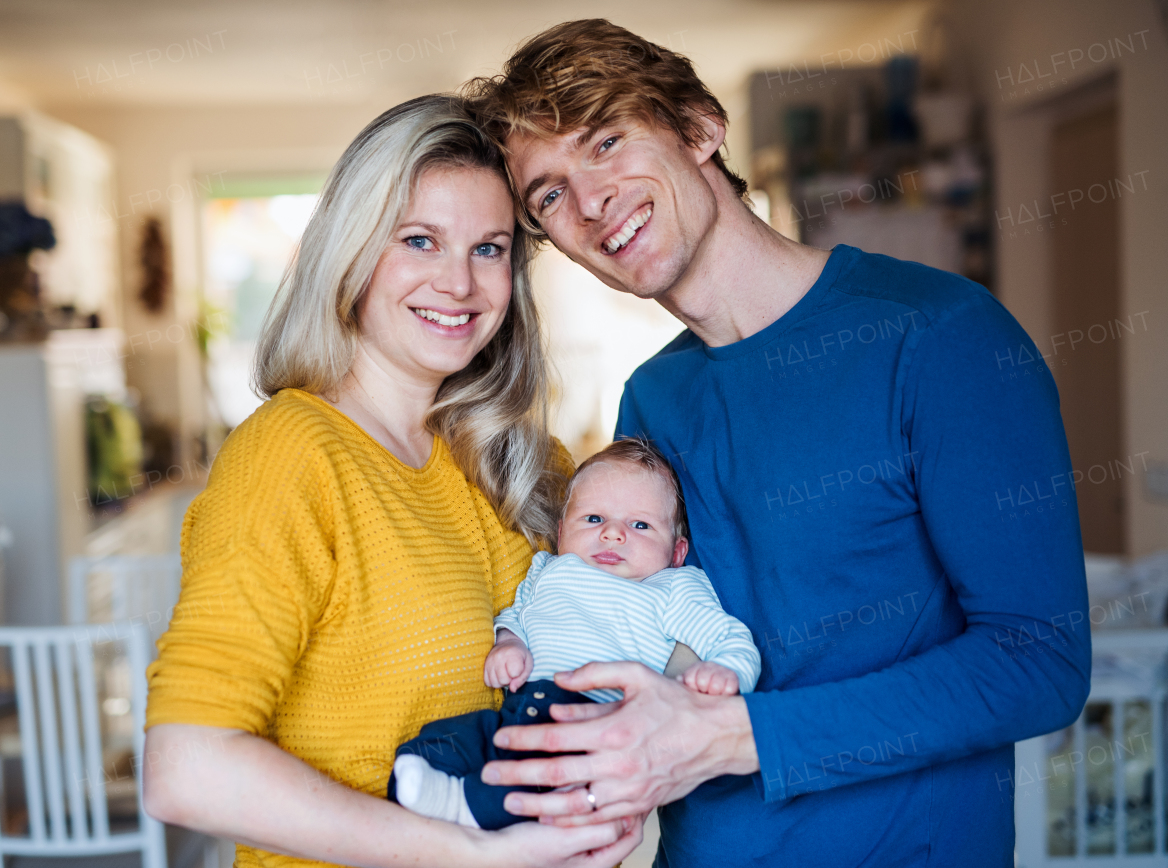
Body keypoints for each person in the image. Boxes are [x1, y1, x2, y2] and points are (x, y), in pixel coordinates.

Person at [461, 20, 1091, 866]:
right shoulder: (653, 397)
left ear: (699, 127)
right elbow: (638, 642)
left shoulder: (939, 337)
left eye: (607, 141)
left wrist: (736, 737)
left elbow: (1038, 660)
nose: (590, 202)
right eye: (549, 194)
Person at [140, 94, 643, 868]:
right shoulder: (291, 454)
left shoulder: (529, 464)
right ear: (352, 251)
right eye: (419, 240)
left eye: (489, 249)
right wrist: (474, 857)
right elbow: (188, 768)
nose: (460, 284)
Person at [391, 438, 761, 830]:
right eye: (594, 519)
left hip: (595, 718)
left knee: (547, 781)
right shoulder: (549, 569)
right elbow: (518, 614)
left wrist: (727, 672)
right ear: (562, 531)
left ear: (676, 552)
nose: (613, 534)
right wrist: (509, 642)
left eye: (640, 525)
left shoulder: (672, 587)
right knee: (448, 740)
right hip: (521, 705)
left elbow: (728, 637)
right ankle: (432, 789)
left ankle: (466, 807)